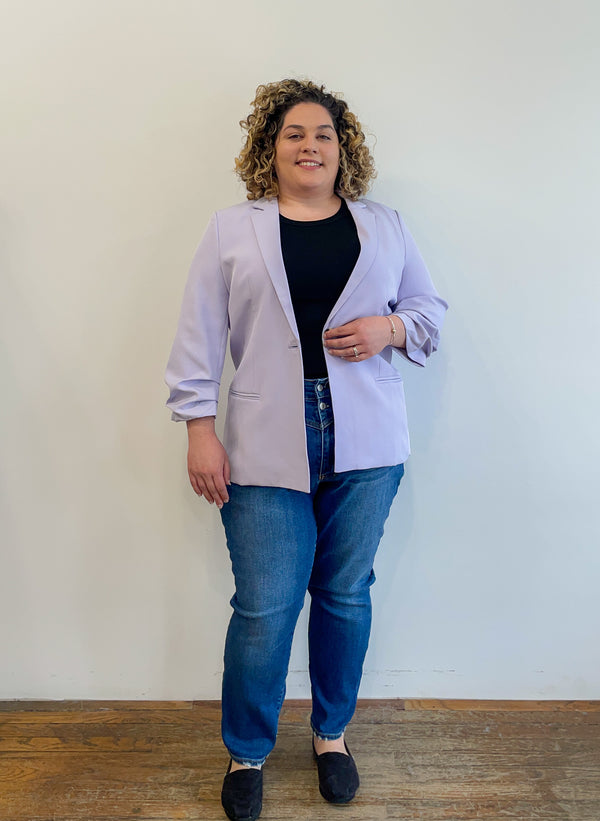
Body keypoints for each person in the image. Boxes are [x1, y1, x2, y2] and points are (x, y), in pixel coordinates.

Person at [165, 78, 447, 821]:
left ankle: (331, 736)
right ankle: (247, 750)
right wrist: (198, 427)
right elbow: (199, 333)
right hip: (262, 439)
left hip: (368, 439)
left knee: (346, 594)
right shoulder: (232, 229)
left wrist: (390, 329)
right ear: (271, 147)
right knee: (265, 606)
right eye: (294, 133)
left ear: (343, 149)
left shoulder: (383, 225)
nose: (310, 145)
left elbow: (428, 309)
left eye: (324, 134)